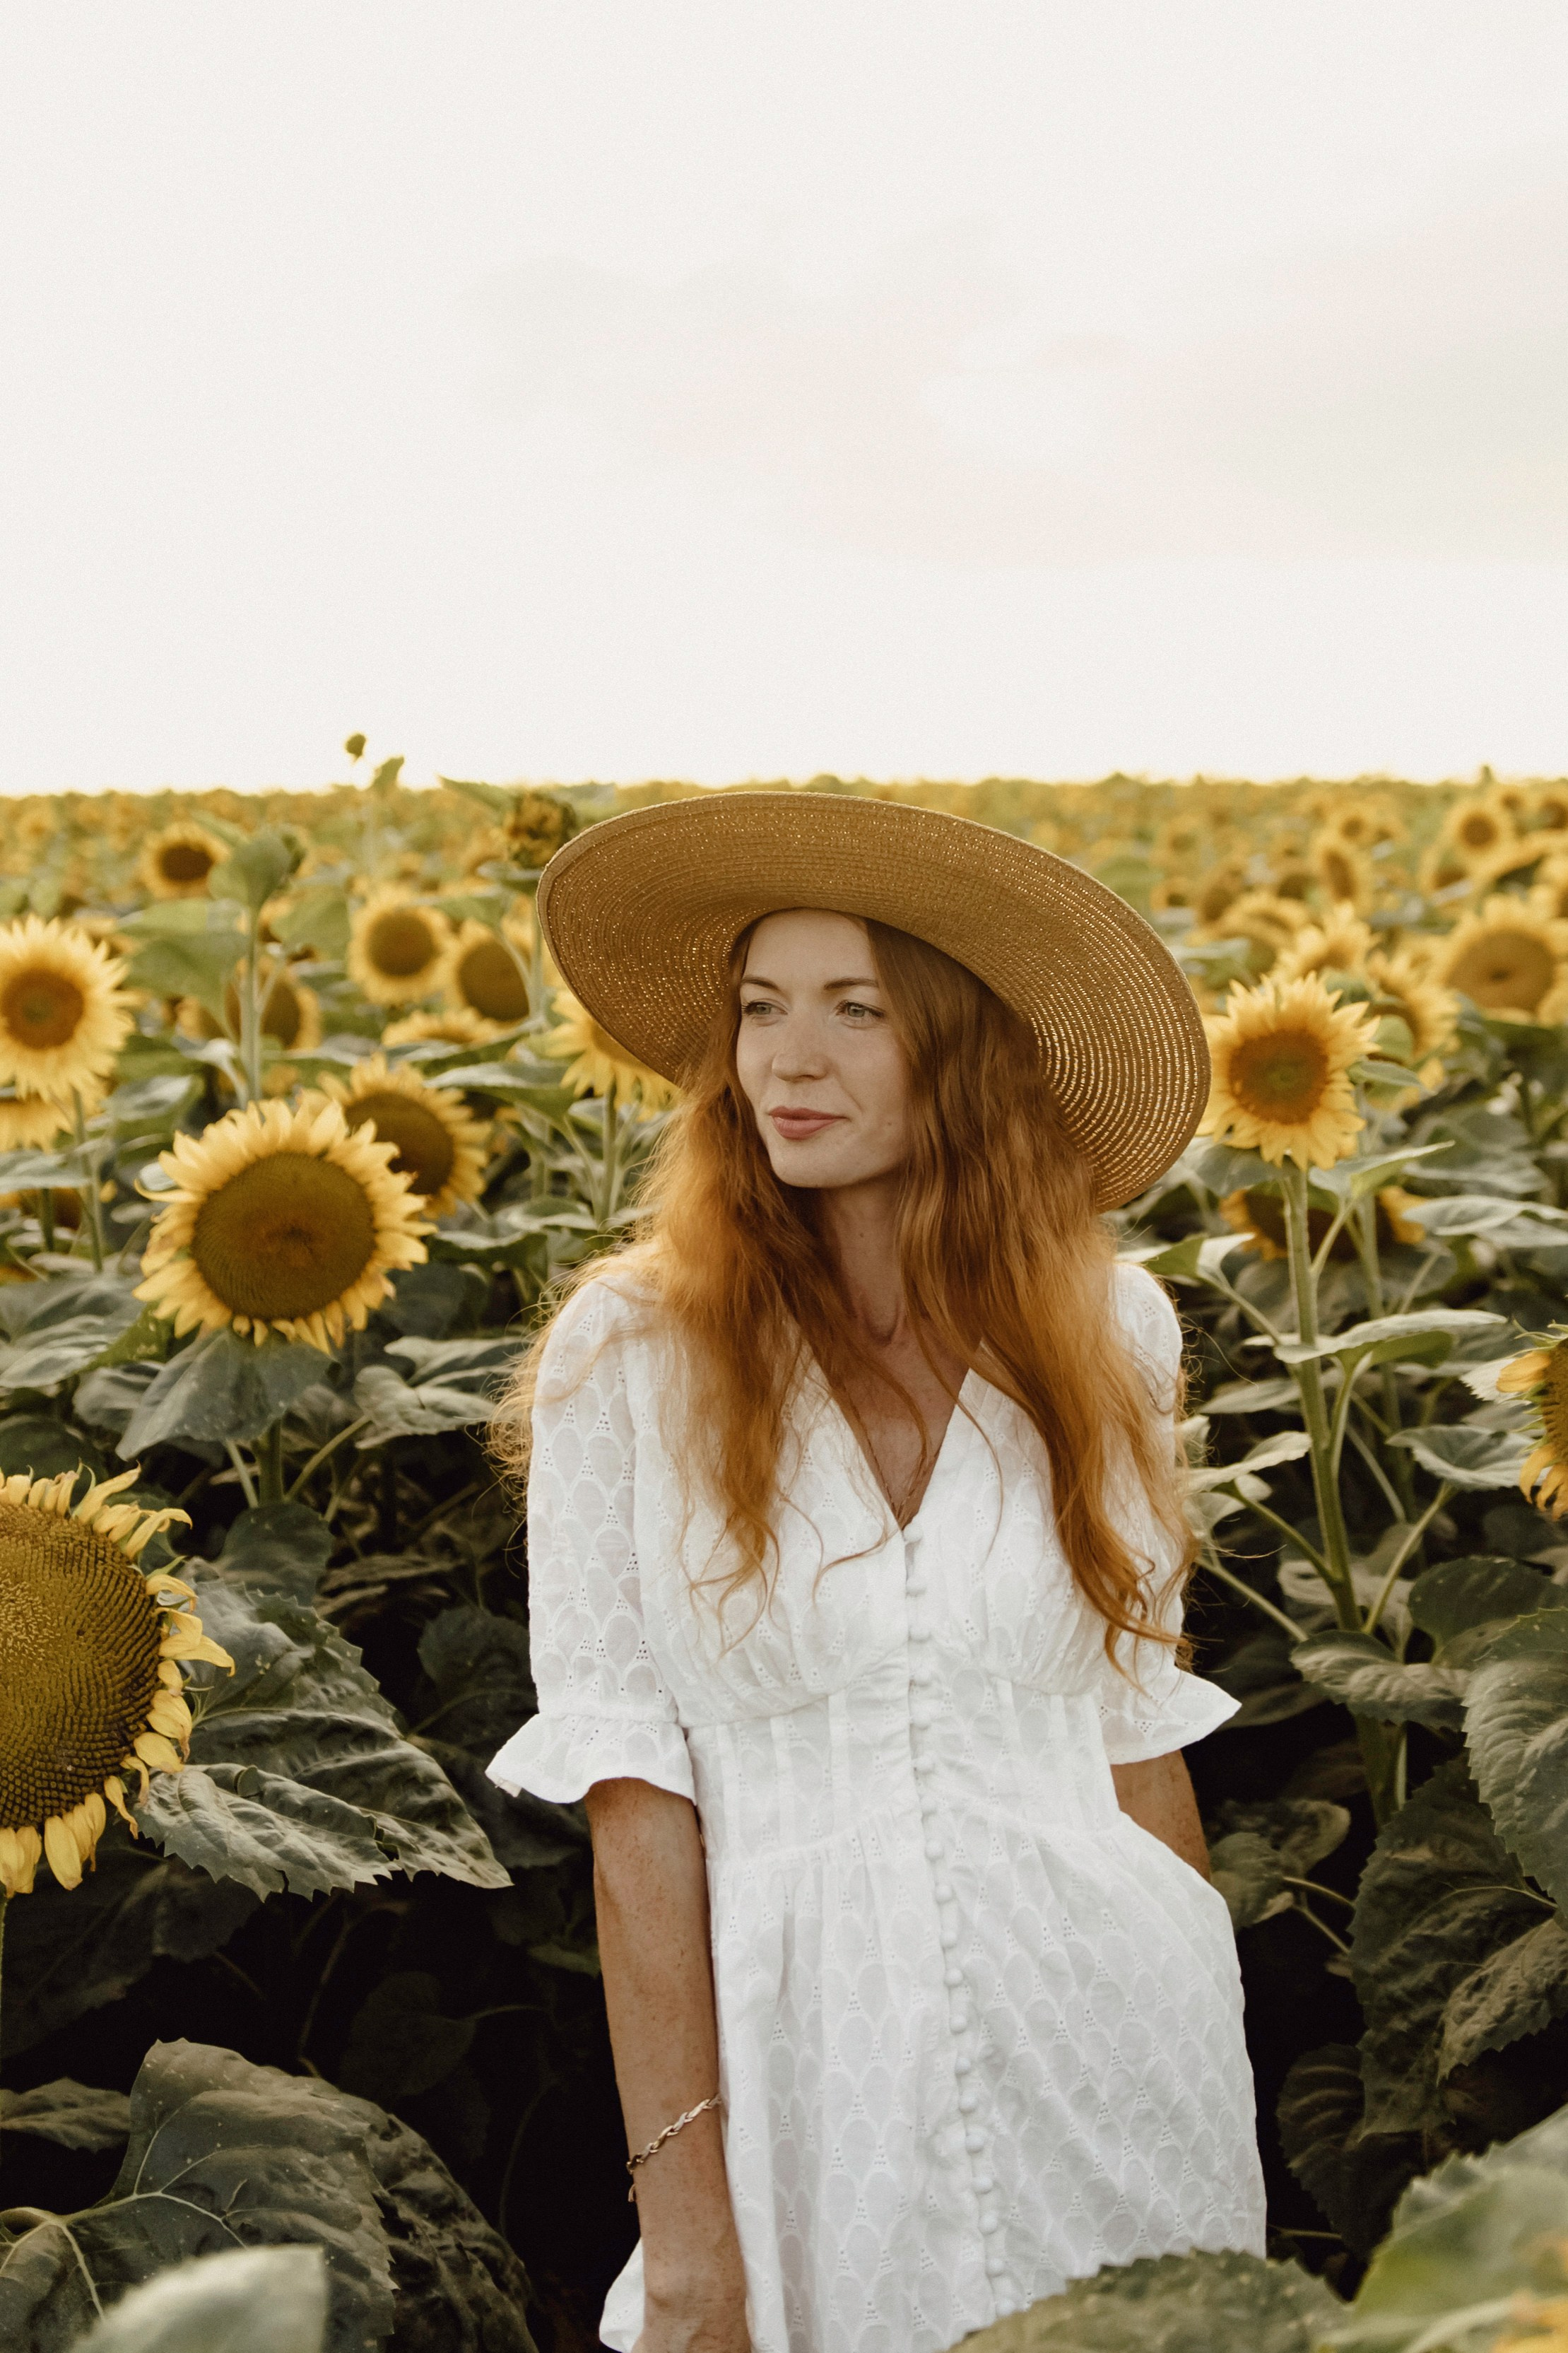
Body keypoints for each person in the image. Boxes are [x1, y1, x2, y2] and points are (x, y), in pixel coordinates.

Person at [489, 794, 1265, 2353]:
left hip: (1120, 2056)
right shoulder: (628, 1358)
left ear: (964, 1053)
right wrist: (690, 2238)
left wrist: (1215, 2059)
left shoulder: (1117, 1338)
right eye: (763, 1008)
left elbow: (1133, 1738)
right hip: (808, 2100)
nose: (787, 1058)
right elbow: (637, 1816)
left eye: (858, 1011)